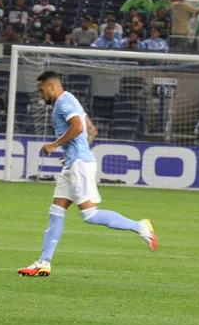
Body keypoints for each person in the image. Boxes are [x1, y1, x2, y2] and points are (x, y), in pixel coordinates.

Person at [17, 71, 156, 277]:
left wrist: (56, 145)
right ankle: (43, 262)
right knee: (56, 211)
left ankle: (140, 226)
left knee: (90, 215)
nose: (40, 95)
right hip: (73, 164)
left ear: (52, 86)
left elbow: (79, 127)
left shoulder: (64, 102)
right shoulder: (71, 101)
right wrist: (73, 152)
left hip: (79, 165)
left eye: (41, 90)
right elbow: (91, 130)